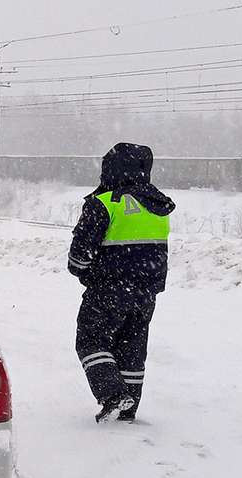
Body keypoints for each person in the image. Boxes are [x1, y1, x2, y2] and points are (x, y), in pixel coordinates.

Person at [68, 143, 176, 423]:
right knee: (132, 350)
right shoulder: (157, 206)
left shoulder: (105, 203)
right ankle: (127, 409)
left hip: (107, 291)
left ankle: (113, 395)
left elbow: (78, 259)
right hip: (146, 295)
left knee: (91, 341)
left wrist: (85, 273)